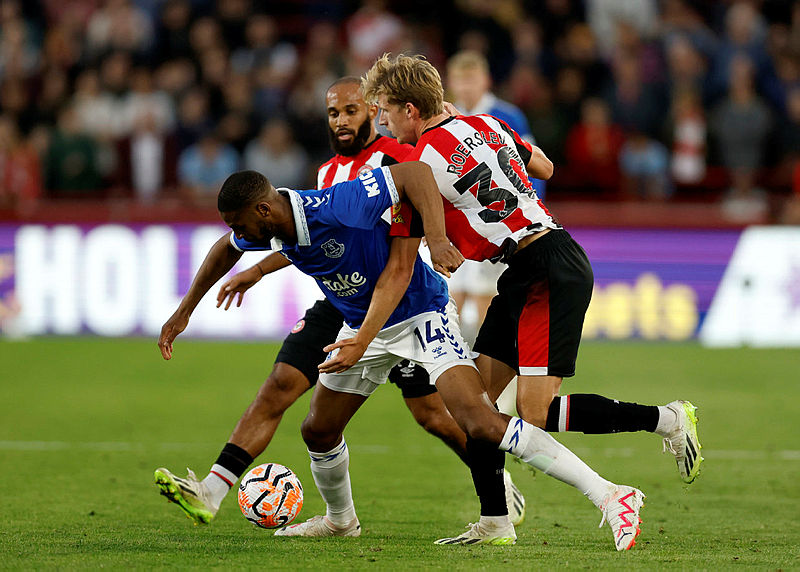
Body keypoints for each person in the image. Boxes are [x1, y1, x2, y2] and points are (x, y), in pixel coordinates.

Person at [154, 79, 526, 528]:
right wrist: (255, 270)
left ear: (371, 111)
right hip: (342, 303)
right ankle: (214, 492)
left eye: (351, 111)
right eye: (333, 114)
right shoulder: (326, 174)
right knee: (283, 386)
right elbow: (307, 236)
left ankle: (495, 482)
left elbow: (427, 191)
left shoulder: (399, 156)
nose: (342, 121)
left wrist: (436, 237)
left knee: (431, 414)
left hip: (401, 298)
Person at [213, 166, 645, 550]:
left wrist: (436, 240)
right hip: (363, 325)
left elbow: (417, 173)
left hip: (422, 314)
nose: (239, 234)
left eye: (240, 224)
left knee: (479, 420)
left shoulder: (335, 203)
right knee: (319, 429)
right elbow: (226, 249)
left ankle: (608, 494)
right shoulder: (271, 227)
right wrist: (183, 313)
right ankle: (340, 522)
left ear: (265, 211)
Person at [361, 54, 702, 490]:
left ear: (410, 110)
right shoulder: (484, 122)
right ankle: (494, 519)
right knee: (477, 404)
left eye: (387, 111)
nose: (385, 123)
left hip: (546, 267)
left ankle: (668, 419)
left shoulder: (419, 162)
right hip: (527, 264)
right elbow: (545, 168)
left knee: (534, 411)